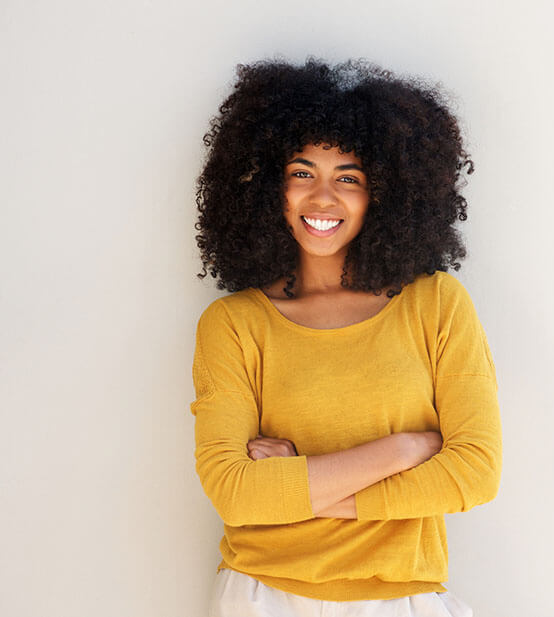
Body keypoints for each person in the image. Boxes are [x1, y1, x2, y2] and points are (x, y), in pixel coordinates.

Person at [189, 57, 502, 617]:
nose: (323, 198)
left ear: (382, 195)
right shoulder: (235, 324)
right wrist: (406, 449)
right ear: (269, 187)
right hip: (262, 596)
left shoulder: (435, 304)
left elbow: (474, 472)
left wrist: (301, 485)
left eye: (349, 178)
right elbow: (235, 494)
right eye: (302, 172)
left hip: (401, 597)